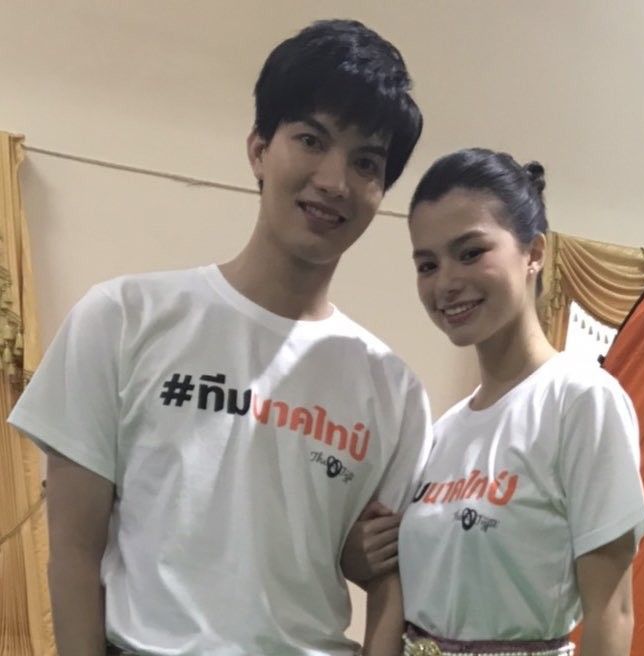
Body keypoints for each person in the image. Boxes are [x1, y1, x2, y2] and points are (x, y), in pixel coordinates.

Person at [8, 19, 433, 656]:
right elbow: (72, 551)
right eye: (311, 140)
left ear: (382, 191)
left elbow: (389, 581)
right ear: (259, 148)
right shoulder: (124, 318)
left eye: (365, 163)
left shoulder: (392, 389)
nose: (334, 180)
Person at [349, 148, 644, 656]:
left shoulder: (580, 400)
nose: (446, 283)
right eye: (428, 264)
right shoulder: (442, 432)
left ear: (534, 253)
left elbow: (612, 611)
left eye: (470, 253)